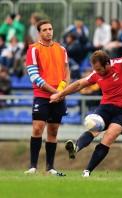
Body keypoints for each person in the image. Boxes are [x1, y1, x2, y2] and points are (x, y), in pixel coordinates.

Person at [50, 27, 122, 177]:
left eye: (99, 69)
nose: (97, 72)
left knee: (109, 136)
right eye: (94, 69)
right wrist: (61, 94)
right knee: (94, 129)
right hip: (106, 107)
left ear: (107, 64)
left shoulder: (120, 64)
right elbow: (79, 84)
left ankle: (87, 171)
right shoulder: (96, 73)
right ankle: (76, 147)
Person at [24, 20, 70, 176]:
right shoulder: (33, 49)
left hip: (59, 95)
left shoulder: (62, 49)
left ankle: (50, 167)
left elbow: (66, 72)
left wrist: (61, 91)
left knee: (54, 131)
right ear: (39, 32)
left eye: (50, 29)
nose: (49, 32)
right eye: (45, 30)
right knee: (37, 128)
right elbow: (34, 76)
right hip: (42, 95)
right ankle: (32, 167)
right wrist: (54, 92)